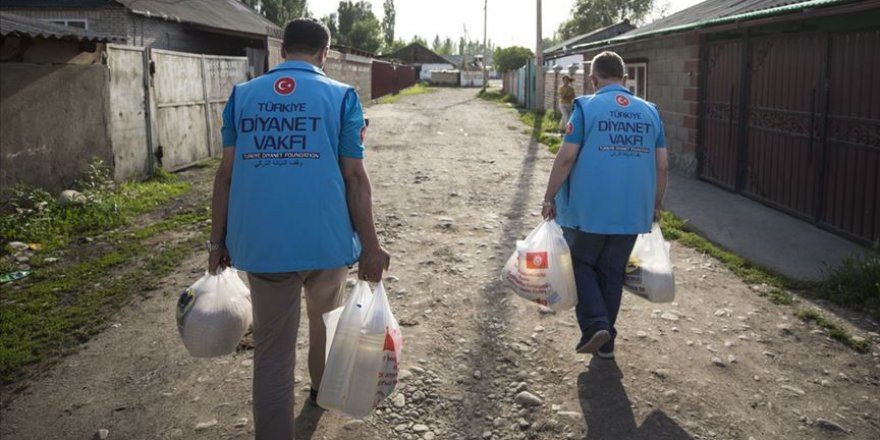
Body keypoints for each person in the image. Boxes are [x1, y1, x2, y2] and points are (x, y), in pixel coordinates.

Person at [208, 17, 390, 440]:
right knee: (326, 322)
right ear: (325, 54)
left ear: (283, 50)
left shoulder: (242, 97)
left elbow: (225, 176)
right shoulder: (342, 97)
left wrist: (216, 241)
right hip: (326, 244)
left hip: (265, 247)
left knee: (272, 354)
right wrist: (371, 246)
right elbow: (355, 178)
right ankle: (321, 392)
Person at [541, 51, 668, 360]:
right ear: (625, 80)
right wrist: (656, 205)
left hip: (589, 210)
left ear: (593, 80)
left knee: (580, 264)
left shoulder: (586, 107)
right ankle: (606, 344)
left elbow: (567, 156)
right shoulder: (651, 112)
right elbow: (662, 166)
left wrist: (549, 196)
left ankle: (596, 324)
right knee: (611, 273)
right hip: (632, 210)